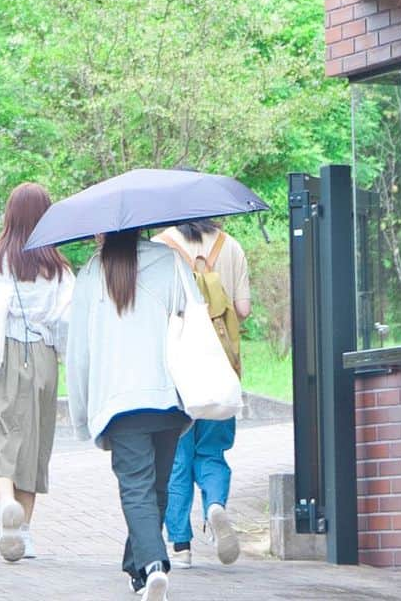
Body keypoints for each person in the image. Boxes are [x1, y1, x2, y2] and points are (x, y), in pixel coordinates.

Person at [66, 229, 192, 600]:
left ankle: (153, 565)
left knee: (137, 489)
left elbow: (79, 351)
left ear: (102, 230)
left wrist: (82, 411)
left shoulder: (92, 272)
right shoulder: (170, 261)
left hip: (119, 400)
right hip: (168, 395)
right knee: (155, 489)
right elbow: (193, 320)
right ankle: (138, 571)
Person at [0, 182, 74, 562]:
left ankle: (4, 501)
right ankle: (23, 533)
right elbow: (66, 322)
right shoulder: (57, 265)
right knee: (33, 445)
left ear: (9, 214)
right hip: (41, 358)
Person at [153, 218, 251, 568]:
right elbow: (242, 309)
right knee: (212, 452)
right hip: (220, 370)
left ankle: (181, 546)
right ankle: (215, 507)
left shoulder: (159, 246)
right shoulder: (231, 246)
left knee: (177, 457)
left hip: (178, 371)